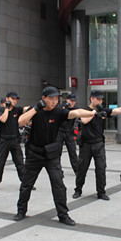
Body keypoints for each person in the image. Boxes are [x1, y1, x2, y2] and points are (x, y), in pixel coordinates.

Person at [14, 86, 105, 225]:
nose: (54, 102)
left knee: (59, 185)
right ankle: (21, 210)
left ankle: (63, 215)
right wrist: (36, 107)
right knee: (26, 184)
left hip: (51, 155)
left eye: (56, 99)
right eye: (51, 99)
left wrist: (93, 113)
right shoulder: (35, 110)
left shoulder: (58, 112)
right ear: (43, 98)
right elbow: (20, 121)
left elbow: (76, 113)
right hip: (34, 154)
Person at [72, 90, 121, 201]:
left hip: (99, 143)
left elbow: (118, 110)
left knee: (101, 168)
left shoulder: (103, 110)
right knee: (82, 168)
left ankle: (101, 192)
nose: (100, 101)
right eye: (98, 99)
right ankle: (78, 189)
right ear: (92, 99)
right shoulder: (84, 110)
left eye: (101, 99)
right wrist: (95, 111)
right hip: (86, 144)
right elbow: (85, 121)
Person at [0, 92, 29, 191]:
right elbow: (3, 119)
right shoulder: (0, 109)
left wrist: (37, 106)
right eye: (13, 98)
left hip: (15, 140)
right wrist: (7, 108)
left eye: (16, 99)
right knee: (0, 163)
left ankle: (25, 183)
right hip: (4, 140)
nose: (15, 100)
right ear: (7, 98)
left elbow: (26, 109)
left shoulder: (17, 109)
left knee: (20, 163)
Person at [56, 93, 80, 175]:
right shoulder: (61, 107)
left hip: (69, 132)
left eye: (74, 101)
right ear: (67, 100)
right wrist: (63, 108)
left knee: (72, 152)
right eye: (71, 101)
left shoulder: (76, 109)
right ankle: (58, 171)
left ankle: (77, 171)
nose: (72, 103)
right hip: (59, 131)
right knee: (58, 152)